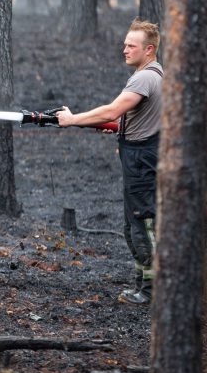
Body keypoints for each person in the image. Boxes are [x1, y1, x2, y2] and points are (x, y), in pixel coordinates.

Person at [56, 20, 163, 305]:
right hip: (137, 156)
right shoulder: (150, 75)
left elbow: (113, 108)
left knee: (142, 223)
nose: (124, 49)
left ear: (149, 49)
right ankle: (142, 285)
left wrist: (72, 120)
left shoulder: (144, 78)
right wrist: (120, 127)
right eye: (125, 43)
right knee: (132, 225)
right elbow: (127, 115)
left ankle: (153, 291)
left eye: (131, 45)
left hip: (142, 160)